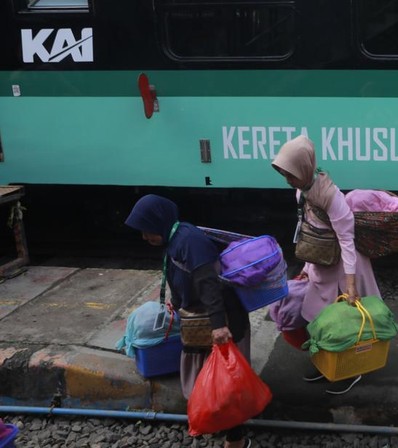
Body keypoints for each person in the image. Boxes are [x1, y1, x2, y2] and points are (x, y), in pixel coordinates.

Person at [125, 194, 252, 448]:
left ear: (158, 221)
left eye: (147, 230)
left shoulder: (189, 242)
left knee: (225, 386)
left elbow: (208, 283)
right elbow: (182, 275)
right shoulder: (176, 238)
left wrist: (218, 326)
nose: (144, 236)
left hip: (221, 321)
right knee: (215, 383)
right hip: (203, 321)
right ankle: (222, 428)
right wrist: (178, 299)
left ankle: (236, 441)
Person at [272, 135, 381, 394]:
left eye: (291, 174)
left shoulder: (332, 197)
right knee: (318, 319)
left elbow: (347, 240)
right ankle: (329, 363)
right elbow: (311, 230)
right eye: (285, 174)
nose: (288, 180)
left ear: (305, 168)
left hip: (343, 269)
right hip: (322, 267)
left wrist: (351, 285)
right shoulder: (303, 191)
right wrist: (307, 269)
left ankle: (351, 369)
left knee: (345, 323)